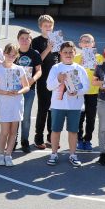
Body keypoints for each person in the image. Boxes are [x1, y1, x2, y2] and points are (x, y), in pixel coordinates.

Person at [45, 41, 89, 167]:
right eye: (65, 52)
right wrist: (59, 80)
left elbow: (86, 87)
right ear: (60, 53)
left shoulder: (79, 69)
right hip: (58, 105)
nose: (68, 54)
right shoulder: (56, 68)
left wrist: (76, 92)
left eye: (71, 52)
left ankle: (73, 154)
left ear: (75, 53)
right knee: (55, 130)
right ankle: (54, 153)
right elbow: (49, 86)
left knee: (73, 131)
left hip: (75, 106)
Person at [0, 43, 30, 167]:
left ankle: (8, 154)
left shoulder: (19, 69)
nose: (11, 57)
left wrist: (19, 92)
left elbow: (27, 86)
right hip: (4, 104)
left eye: (13, 55)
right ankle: (1, 154)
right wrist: (5, 92)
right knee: (5, 131)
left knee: (13, 132)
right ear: (4, 54)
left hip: (17, 103)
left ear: (16, 56)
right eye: (8, 54)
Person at [32, 15, 59, 149]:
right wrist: (48, 48)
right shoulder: (36, 41)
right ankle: (39, 137)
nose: (48, 28)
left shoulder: (57, 39)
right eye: (45, 25)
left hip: (56, 79)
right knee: (43, 108)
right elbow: (38, 60)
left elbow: (60, 59)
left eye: (50, 25)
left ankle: (50, 137)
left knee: (53, 109)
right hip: (43, 79)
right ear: (40, 27)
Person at [74, 34, 104, 152]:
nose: (86, 43)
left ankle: (88, 140)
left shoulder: (99, 57)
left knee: (91, 118)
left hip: (93, 92)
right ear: (80, 44)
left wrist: (97, 67)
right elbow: (72, 74)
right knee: (79, 118)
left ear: (93, 44)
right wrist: (80, 65)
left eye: (89, 41)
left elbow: (103, 75)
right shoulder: (76, 57)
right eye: (84, 41)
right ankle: (79, 140)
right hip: (80, 92)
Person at [14, 29, 42, 153]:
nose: (25, 41)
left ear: (30, 40)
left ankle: (24, 140)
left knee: (26, 116)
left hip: (29, 90)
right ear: (18, 39)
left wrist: (32, 80)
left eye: (27, 38)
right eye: (22, 38)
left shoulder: (34, 53)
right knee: (14, 115)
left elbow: (39, 71)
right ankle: (13, 140)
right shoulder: (14, 52)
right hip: (14, 90)